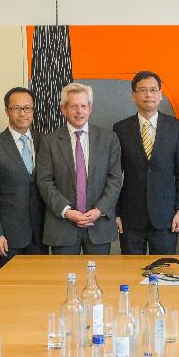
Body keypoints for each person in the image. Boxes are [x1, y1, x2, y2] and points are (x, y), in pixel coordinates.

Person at [37, 83, 122, 254]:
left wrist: (99, 210)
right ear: (63, 109)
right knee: (65, 279)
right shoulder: (49, 141)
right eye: (73, 106)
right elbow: (45, 181)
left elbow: (115, 179)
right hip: (63, 226)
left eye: (84, 106)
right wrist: (67, 211)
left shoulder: (109, 139)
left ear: (90, 108)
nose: (79, 111)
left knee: (98, 278)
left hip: (98, 224)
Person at [113, 71, 179, 254]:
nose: (148, 95)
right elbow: (114, 175)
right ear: (133, 95)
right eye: (143, 90)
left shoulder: (175, 127)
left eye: (153, 90)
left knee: (163, 272)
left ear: (160, 95)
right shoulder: (120, 129)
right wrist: (115, 213)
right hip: (131, 217)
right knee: (131, 273)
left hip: (166, 217)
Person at [0, 87, 46, 268]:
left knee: (40, 287)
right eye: (16, 108)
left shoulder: (44, 142)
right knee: (11, 290)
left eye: (27, 108)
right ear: (7, 111)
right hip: (9, 236)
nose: (22, 113)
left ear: (33, 111)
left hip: (40, 233)